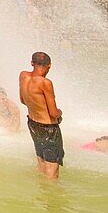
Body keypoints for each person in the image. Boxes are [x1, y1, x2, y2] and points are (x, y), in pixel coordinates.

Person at [19, 51, 64, 179]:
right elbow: (53, 113)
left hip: (33, 124)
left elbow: (23, 100)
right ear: (49, 66)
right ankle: (51, 196)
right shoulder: (45, 83)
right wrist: (60, 113)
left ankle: (41, 192)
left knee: (42, 161)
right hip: (48, 128)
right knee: (52, 168)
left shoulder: (23, 76)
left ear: (32, 63)